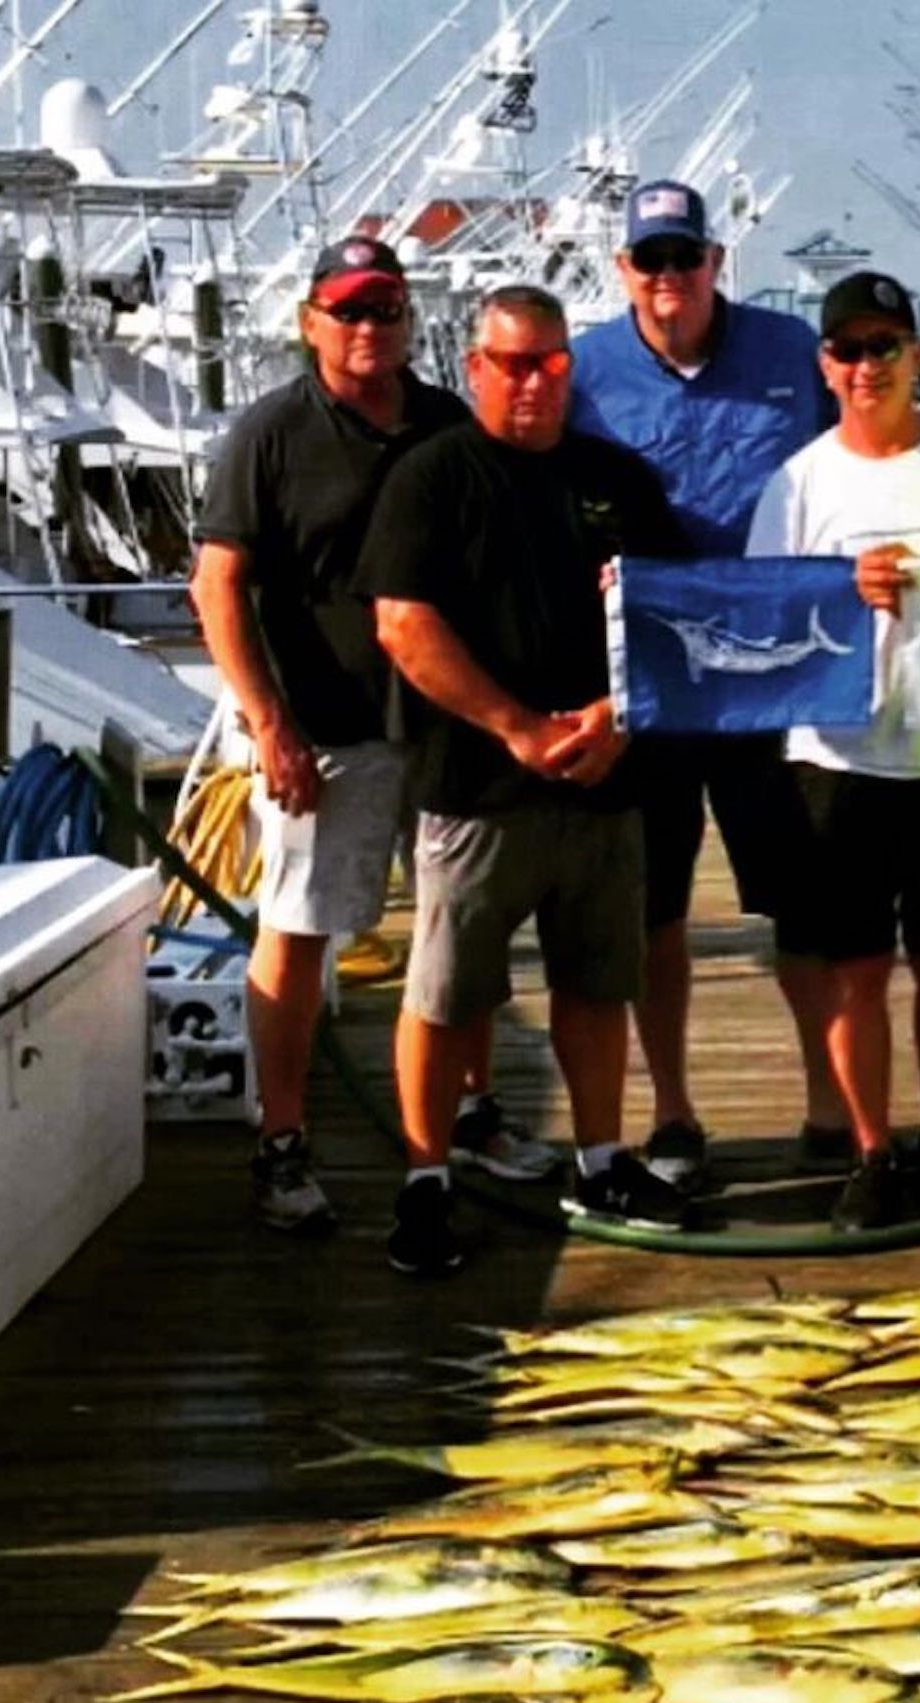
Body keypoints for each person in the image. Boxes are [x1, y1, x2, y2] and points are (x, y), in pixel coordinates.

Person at [190, 236, 543, 1233]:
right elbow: (217, 586)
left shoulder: (449, 423)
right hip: (323, 733)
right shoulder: (269, 433)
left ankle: (470, 1113)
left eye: (384, 309)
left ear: (408, 321)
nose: (367, 327)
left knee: (463, 928)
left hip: (444, 729)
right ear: (310, 322)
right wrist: (269, 724)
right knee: (298, 932)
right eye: (346, 310)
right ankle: (282, 1142)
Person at [356, 286, 694, 1276]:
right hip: (477, 787)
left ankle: (600, 1160)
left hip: (602, 779)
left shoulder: (615, 478)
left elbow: (675, 612)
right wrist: (514, 726)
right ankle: (427, 1180)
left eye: (550, 361)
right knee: (446, 992)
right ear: (475, 368)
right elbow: (402, 624)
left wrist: (614, 716)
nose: (533, 380)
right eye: (512, 363)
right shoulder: (431, 476)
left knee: (596, 983)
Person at [569, 177, 840, 1193]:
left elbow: (854, 464)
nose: (669, 275)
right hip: (653, 674)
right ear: (623, 269)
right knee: (655, 908)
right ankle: (673, 1112)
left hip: (778, 672)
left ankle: (831, 1107)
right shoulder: (585, 369)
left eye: (686, 256)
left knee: (804, 900)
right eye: (651, 258)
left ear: (716, 261)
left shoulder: (789, 350)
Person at [745, 270, 920, 1232]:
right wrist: (842, 588)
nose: (866, 366)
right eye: (848, 350)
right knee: (853, 969)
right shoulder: (799, 482)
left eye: (884, 346)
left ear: (915, 354)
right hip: (837, 761)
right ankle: (870, 1150)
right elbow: (765, 615)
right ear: (825, 364)